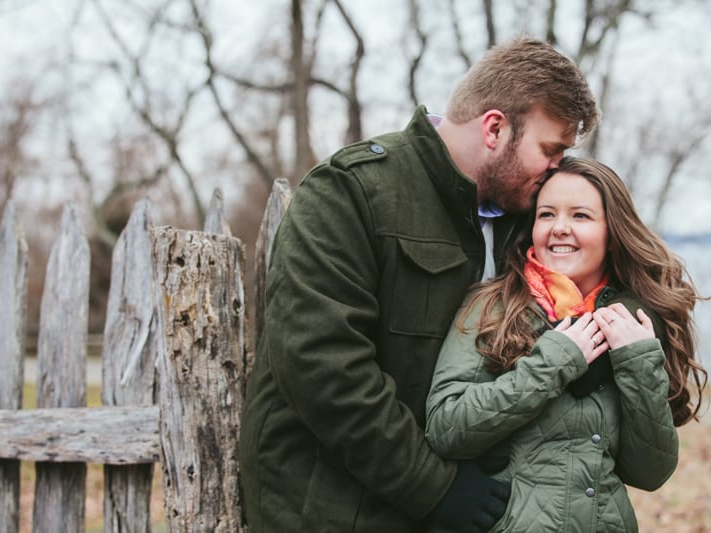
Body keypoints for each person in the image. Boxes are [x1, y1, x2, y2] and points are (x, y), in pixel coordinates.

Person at [238, 37, 599, 533]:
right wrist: (434, 488)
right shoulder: (352, 191)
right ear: (495, 128)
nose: (557, 168)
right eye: (550, 149)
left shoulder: (529, 222)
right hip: (337, 511)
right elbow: (322, 367)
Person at [425, 156, 708, 533]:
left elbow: (650, 473)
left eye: (580, 216)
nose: (559, 228)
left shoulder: (632, 323)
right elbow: (445, 428)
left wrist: (637, 361)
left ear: (613, 231)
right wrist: (555, 361)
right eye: (546, 215)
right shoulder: (493, 306)